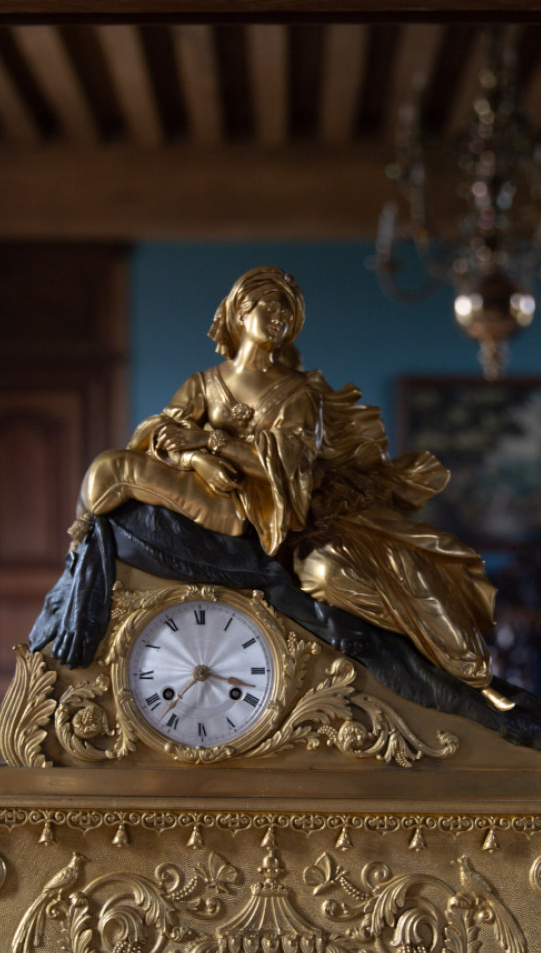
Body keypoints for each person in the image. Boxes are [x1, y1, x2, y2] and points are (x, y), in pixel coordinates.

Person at [74, 266, 512, 710]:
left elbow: (291, 467)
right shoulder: (203, 384)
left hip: (255, 514)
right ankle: (79, 556)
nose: (280, 316)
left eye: (288, 311)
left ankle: (457, 673)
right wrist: (196, 460)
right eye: (270, 305)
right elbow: (164, 435)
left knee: (355, 573)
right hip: (207, 489)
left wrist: (211, 441)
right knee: (107, 468)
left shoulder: (298, 394)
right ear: (241, 311)